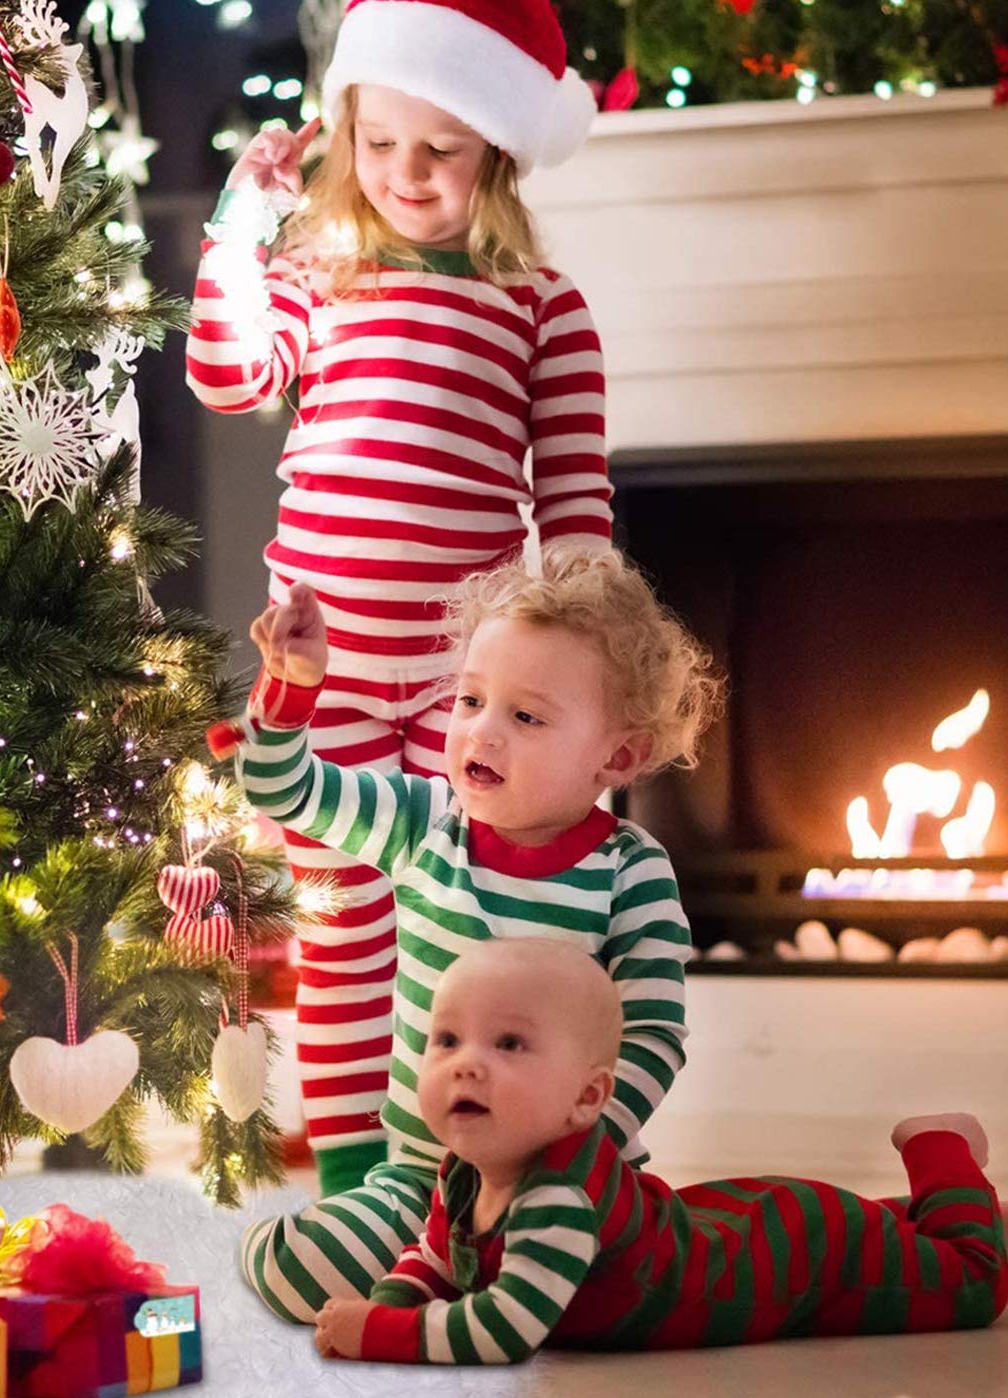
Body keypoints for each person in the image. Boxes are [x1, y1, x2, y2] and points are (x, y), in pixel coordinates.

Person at [187, 0, 611, 1187]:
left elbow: (577, 516)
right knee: (340, 929)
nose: (405, 174)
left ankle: (455, 1163)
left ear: (497, 154)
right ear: (343, 132)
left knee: (457, 921)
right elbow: (226, 377)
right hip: (319, 670)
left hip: (464, 689)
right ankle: (350, 1175)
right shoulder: (322, 273)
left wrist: (591, 684)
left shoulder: (539, 305)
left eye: (441, 150)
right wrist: (237, 227)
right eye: (378, 144)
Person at [233, 543, 721, 1324]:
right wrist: (291, 692)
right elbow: (282, 786)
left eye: (525, 716)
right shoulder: (424, 824)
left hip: (564, 1185)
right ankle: (449, 1271)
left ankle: (476, 1279)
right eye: (469, 701)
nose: (480, 734)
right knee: (288, 1265)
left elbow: (654, 1036)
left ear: (617, 755)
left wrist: (578, 1154)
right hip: (421, 1178)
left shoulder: (631, 873)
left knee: (622, 1295)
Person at [312, 940, 1008, 1362]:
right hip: (724, 1223)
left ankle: (939, 1146)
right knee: (897, 1237)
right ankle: (932, 1212)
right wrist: (390, 1301)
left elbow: (505, 1328)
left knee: (973, 1283)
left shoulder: (562, 1194)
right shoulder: (467, 1167)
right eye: (447, 1040)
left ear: (587, 1100)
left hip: (783, 1262)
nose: (466, 1064)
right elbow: (436, 1257)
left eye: (510, 1044)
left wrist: (380, 1334)